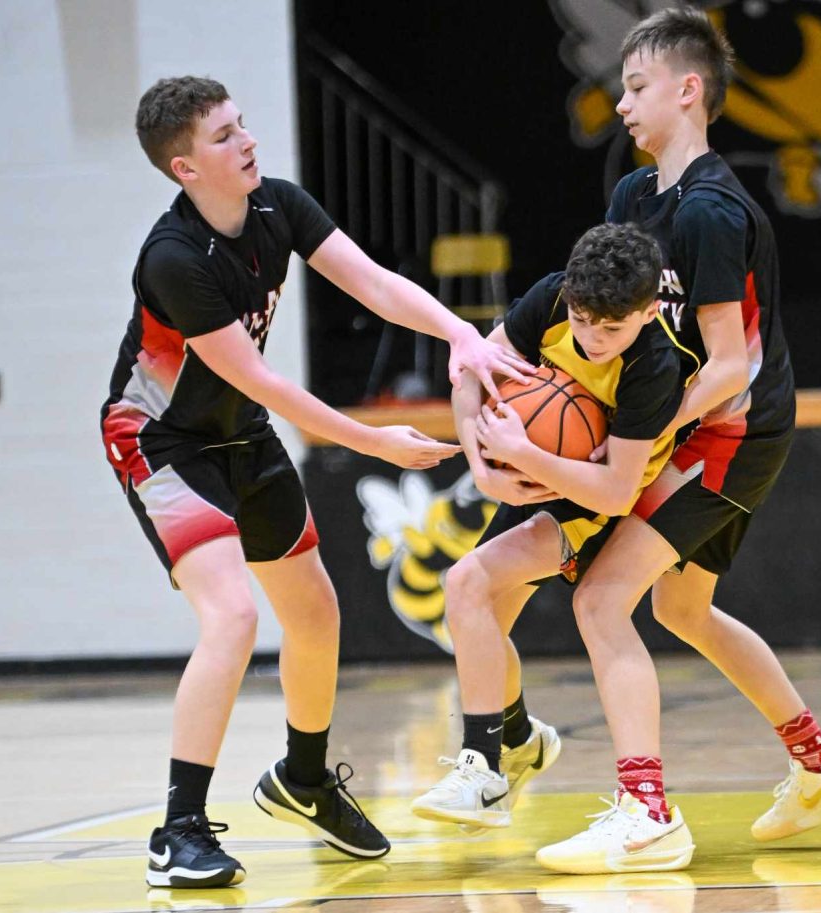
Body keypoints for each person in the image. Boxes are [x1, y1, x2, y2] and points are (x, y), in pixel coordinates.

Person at [100, 75, 533, 889]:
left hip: (239, 435)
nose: (247, 142)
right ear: (185, 169)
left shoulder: (278, 207)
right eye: (225, 137)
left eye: (242, 125)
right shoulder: (172, 259)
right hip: (161, 442)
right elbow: (265, 381)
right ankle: (177, 831)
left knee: (316, 613)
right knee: (230, 616)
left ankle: (303, 777)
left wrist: (459, 336)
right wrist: (373, 439)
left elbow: (371, 282)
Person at [533, 8, 821, 874]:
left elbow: (728, 364)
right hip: (698, 428)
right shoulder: (632, 199)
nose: (619, 104)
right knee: (679, 608)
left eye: (637, 85)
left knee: (600, 600)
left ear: (689, 90)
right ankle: (820, 764)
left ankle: (646, 808)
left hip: (735, 427)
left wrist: (647, 429)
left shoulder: (717, 212)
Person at [409, 223, 699, 869]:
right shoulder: (547, 299)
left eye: (612, 328)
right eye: (584, 320)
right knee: (478, 626)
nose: (594, 338)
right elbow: (471, 373)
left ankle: (485, 769)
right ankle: (517, 736)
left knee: (465, 583)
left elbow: (617, 492)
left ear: (649, 311)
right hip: (532, 470)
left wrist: (523, 453)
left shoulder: (652, 364)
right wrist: (484, 465)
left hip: (590, 495)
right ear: (568, 293)